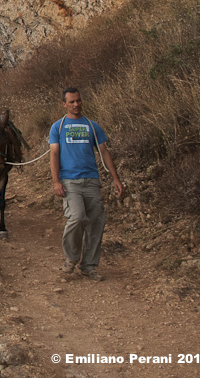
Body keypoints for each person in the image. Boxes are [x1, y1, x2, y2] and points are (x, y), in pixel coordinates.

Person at [49, 87, 124, 281]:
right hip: (69, 182)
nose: (76, 105)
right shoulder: (58, 127)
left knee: (96, 222)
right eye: (72, 102)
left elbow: (104, 152)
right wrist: (56, 181)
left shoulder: (92, 125)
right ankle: (71, 258)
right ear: (64, 104)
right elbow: (54, 154)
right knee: (77, 217)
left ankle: (89, 266)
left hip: (91, 180)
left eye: (78, 101)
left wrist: (115, 178)